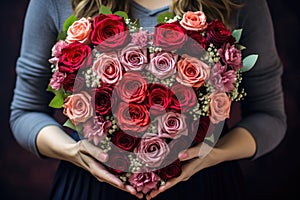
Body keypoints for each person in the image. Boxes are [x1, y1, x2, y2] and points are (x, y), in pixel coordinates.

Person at [10, 0, 286, 199]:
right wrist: (73, 152)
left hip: (204, 186)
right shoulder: (55, 2)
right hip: (91, 187)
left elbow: (269, 115)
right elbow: (24, 112)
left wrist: (215, 155)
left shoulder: (237, 4)